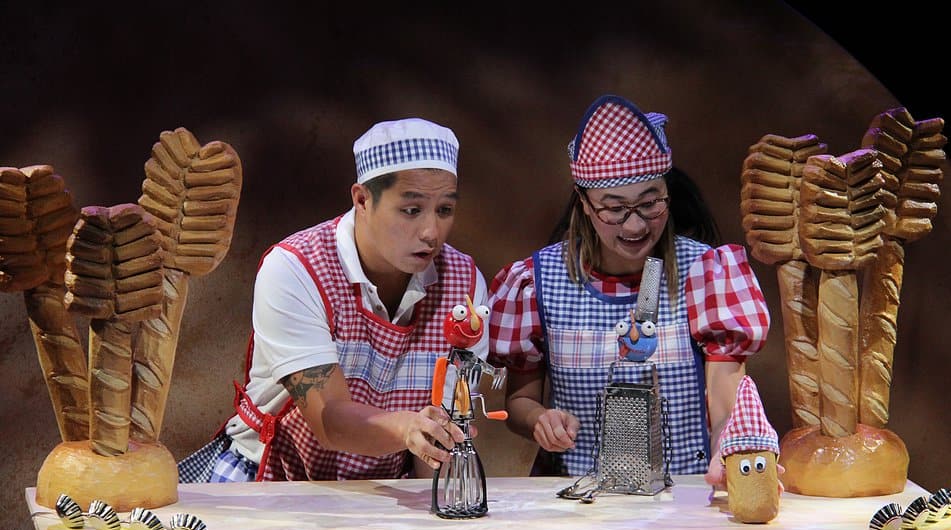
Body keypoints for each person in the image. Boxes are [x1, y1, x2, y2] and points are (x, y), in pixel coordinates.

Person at [178, 117, 489, 483]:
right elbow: (329, 421)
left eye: (444, 210)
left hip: (385, 488)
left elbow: (441, 433)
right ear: (362, 199)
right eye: (411, 210)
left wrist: (441, 492)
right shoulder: (298, 268)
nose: (430, 232)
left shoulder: (462, 287)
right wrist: (407, 428)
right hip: (272, 480)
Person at [487, 94, 771, 488]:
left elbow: (726, 397)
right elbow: (519, 404)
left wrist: (730, 448)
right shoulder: (538, 281)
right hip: (580, 498)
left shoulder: (705, 272)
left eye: (650, 203)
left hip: (684, 494)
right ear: (585, 204)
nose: (635, 226)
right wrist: (540, 419)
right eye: (614, 208)